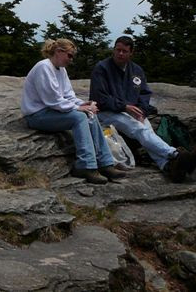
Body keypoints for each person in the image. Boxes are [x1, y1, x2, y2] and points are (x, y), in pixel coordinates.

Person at [90, 35, 196, 182]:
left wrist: (142, 110)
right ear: (114, 50)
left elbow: (144, 93)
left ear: (131, 53)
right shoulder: (101, 68)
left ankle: (169, 167)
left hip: (131, 112)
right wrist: (124, 106)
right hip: (107, 112)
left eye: (124, 51)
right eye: (118, 50)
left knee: (146, 130)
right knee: (139, 129)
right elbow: (99, 97)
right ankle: (175, 154)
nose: (120, 54)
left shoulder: (136, 70)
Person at [21, 38, 125, 184]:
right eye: (69, 55)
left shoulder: (60, 70)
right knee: (79, 117)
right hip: (37, 115)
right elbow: (53, 100)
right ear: (58, 52)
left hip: (51, 112)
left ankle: (105, 163)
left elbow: (68, 95)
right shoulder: (43, 67)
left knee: (89, 114)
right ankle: (86, 165)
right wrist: (79, 108)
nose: (71, 59)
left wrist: (83, 104)